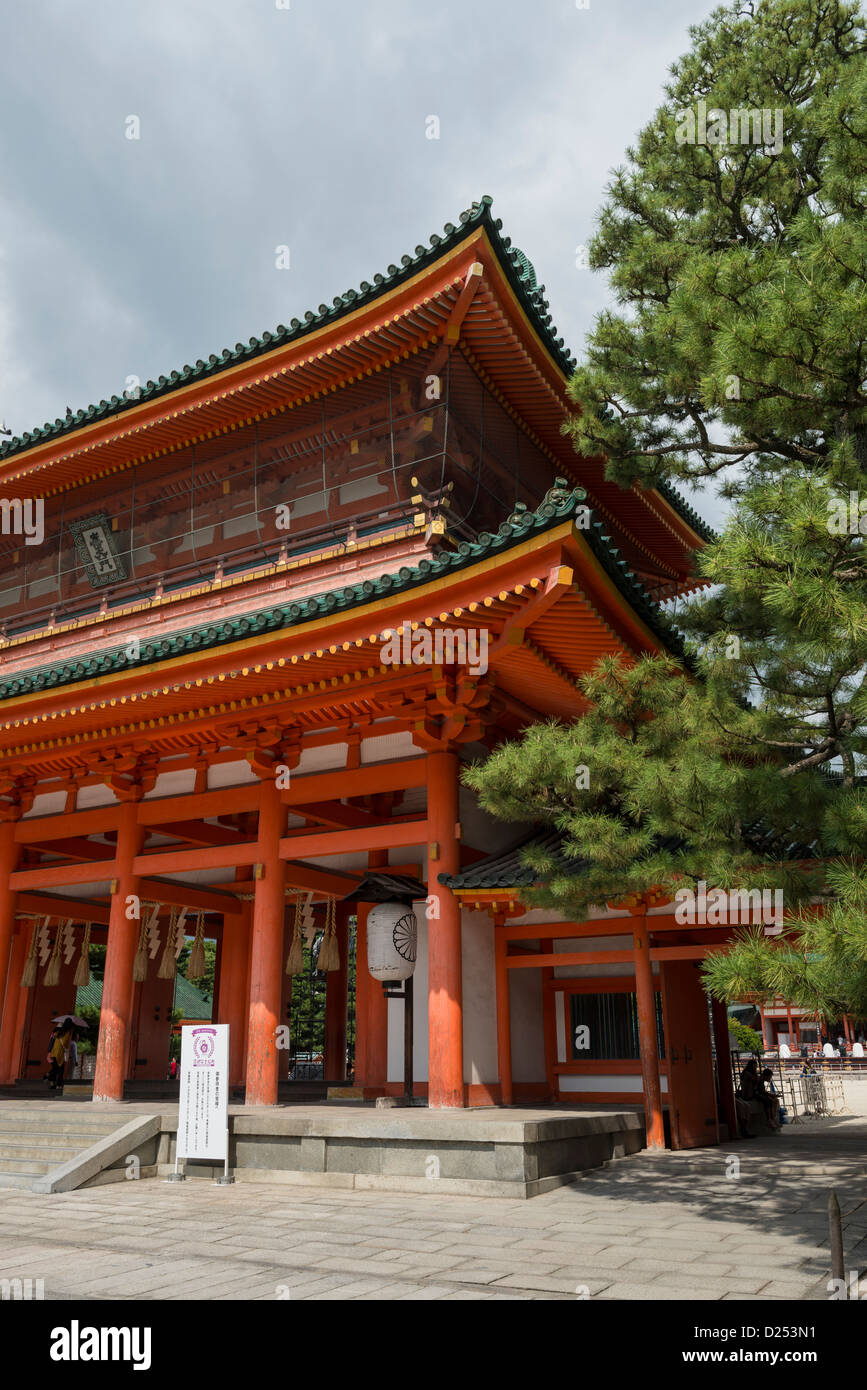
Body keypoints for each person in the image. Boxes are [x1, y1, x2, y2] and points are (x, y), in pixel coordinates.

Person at [49, 1019, 72, 1094]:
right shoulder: (67, 1032)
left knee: (55, 1068)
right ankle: (58, 1085)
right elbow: (65, 1043)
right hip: (60, 1053)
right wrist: (67, 1048)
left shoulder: (59, 1031)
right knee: (60, 1070)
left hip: (54, 1052)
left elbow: (54, 1040)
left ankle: (52, 1084)